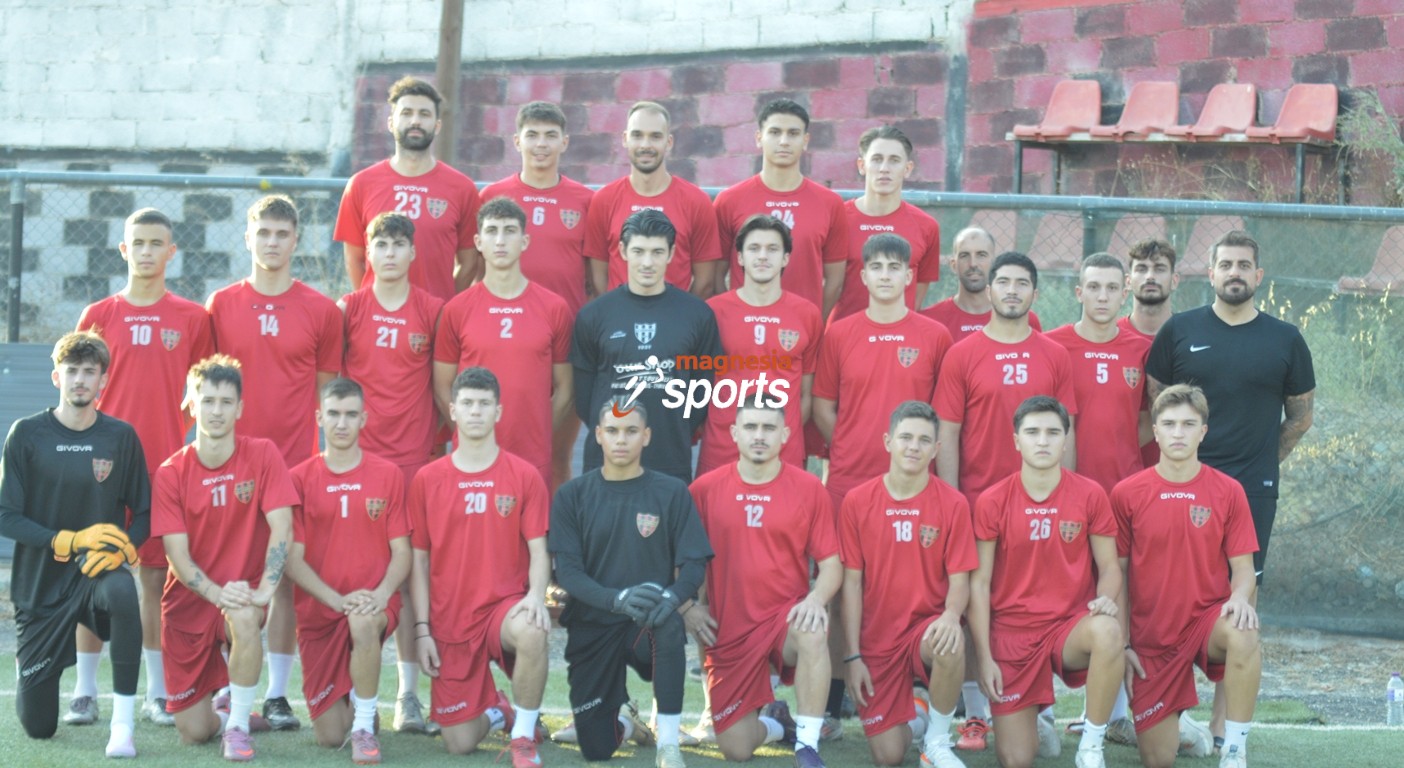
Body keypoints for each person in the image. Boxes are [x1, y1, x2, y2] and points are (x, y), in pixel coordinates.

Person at [1144, 230, 1313, 751]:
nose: (1235, 272)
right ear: (1211, 273)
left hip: (1253, 487)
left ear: (1258, 276)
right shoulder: (1180, 330)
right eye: (1226, 264)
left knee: (1240, 600)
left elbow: (1300, 417)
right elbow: (1158, 404)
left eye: (1244, 265)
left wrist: (1262, 462)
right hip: (1181, 488)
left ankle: (1223, 728)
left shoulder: (1285, 339)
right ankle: (1165, 708)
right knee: (1171, 591)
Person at [74, 208, 214, 727]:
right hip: (102, 470)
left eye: (157, 243)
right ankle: (85, 691)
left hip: (163, 474)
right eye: (139, 243)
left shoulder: (193, 318)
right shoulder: (98, 314)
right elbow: (78, 390)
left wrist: (181, 446)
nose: (148, 251)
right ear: (123, 249)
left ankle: (158, 692)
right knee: (94, 575)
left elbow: (202, 397)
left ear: (172, 252)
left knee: (155, 584)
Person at [207, 194, 342, 730]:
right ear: (247, 237)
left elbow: (326, 394)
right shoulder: (220, 304)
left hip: (292, 465)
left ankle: (279, 695)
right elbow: (209, 391)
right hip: (231, 464)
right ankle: (224, 685)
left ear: (296, 240)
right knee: (228, 573)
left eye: (282, 234)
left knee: (283, 577)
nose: (271, 242)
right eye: (263, 232)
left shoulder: (321, 310)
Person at [932, 251, 1075, 749]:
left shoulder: (1054, 355)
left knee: (1042, 603)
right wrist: (952, 501)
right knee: (978, 602)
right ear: (989, 290)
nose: (1012, 290)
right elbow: (948, 433)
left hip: (1041, 504)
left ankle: (1042, 710)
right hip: (978, 502)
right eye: (1004, 282)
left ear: (1035, 292)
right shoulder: (962, 354)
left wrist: (1068, 498)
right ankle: (975, 714)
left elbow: (1067, 432)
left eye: (1022, 283)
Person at [0, 331, 149, 758]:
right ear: (56, 377)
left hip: (95, 574)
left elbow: (143, 514)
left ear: (104, 380)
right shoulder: (26, 434)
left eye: (89, 371)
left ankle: (122, 726)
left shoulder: (120, 437)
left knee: (123, 591)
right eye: (71, 371)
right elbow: (6, 515)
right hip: (40, 586)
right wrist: (68, 539)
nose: (80, 379)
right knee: (39, 727)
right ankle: (36, 667)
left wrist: (123, 548)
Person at [549, 400, 714, 768]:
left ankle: (668, 744)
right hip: (594, 625)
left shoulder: (671, 492)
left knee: (668, 624)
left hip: (647, 624)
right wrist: (617, 599)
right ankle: (627, 721)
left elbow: (693, 563)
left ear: (647, 436)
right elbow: (569, 574)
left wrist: (672, 597)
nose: (621, 440)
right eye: (612, 431)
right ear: (598, 435)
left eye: (631, 431)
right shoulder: (572, 496)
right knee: (597, 748)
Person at [152, 355, 296, 761]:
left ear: (240, 408)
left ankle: (237, 726)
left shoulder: (263, 455)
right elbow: (176, 555)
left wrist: (264, 590)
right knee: (193, 732)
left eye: (226, 402)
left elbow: (283, 527)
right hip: (189, 604)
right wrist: (218, 594)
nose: (216, 411)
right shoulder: (170, 473)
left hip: (242, 594)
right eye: (208, 400)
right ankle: (222, 716)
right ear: (191, 405)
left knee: (246, 616)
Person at [1112, 384, 1263, 768]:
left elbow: (1244, 569)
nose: (1178, 433)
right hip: (1152, 637)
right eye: (1169, 424)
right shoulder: (1127, 493)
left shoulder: (1229, 491)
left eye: (1188, 424)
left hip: (1206, 622)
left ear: (1203, 432)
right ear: (1155, 431)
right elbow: (1119, 575)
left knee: (1243, 630)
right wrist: (1124, 642)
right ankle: (1185, 730)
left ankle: (1235, 749)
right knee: (1157, 760)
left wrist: (1239, 598)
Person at [968, 396, 1123, 768]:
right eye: (1032, 432)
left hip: (1068, 628)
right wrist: (984, 658)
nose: (1042, 441)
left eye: (1053, 432)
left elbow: (1110, 567)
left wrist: (1105, 598)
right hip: (1012, 634)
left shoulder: (1090, 494)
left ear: (1065, 441)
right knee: (1015, 760)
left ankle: (1091, 745)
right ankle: (1034, 721)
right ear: (1016, 440)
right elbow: (979, 584)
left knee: (1107, 631)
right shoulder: (992, 501)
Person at [409, 367, 552, 766]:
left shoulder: (524, 476)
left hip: (502, 609)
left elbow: (539, 551)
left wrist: (535, 596)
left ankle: (523, 736)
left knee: (533, 629)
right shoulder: (427, 479)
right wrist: (422, 630)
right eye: (468, 404)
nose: (476, 411)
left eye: (484, 404)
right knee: (459, 743)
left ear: (498, 412)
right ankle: (499, 711)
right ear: (453, 410)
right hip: (451, 619)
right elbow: (419, 561)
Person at [337, 211, 444, 735]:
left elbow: (442, 385)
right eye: (381, 244)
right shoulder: (348, 309)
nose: (390, 253)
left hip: (413, 461)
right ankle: (352, 692)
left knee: (408, 575)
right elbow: (333, 387)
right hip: (360, 462)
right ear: (368, 253)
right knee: (356, 571)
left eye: (399, 244)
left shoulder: (433, 310)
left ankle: (407, 696)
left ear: (412, 252)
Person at [689, 402, 840, 767]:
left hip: (782, 621)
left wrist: (815, 599)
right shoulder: (704, 490)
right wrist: (688, 607)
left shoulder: (808, 488)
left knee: (812, 630)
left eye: (769, 428)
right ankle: (777, 725)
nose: (759, 436)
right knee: (736, 749)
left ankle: (807, 746)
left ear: (785, 435)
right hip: (729, 630)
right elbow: (678, 560)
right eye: (751, 427)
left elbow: (832, 565)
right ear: (734, 433)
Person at [840, 401, 974, 768]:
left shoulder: (953, 503)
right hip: (877, 640)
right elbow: (851, 585)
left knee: (949, 641)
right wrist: (852, 656)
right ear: (888, 441)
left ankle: (937, 743)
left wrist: (951, 616)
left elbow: (961, 580)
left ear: (936, 449)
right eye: (906, 437)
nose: (914, 446)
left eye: (924, 440)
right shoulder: (857, 502)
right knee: (889, 756)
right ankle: (918, 714)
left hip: (925, 630)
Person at [286, 378, 411, 764]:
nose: (342, 423)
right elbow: (291, 560)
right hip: (320, 612)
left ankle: (364, 726)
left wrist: (381, 594)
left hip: (373, 604)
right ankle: (356, 699)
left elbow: (402, 552)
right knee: (328, 736)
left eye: (351, 414)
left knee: (362, 621)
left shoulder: (388, 475)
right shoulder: (299, 479)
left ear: (364, 419)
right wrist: (337, 600)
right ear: (319, 418)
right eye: (334, 414)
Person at [481, 100, 594, 488]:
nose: (541, 144)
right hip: (504, 341)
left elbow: (594, 278)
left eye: (550, 136)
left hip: (564, 345)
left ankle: (553, 527)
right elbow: (476, 270)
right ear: (517, 141)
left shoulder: (586, 201)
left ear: (565, 142)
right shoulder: (494, 196)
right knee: (494, 450)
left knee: (555, 455)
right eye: (532, 135)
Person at [571, 208, 723, 482]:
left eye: (657, 252)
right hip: (605, 462)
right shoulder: (594, 315)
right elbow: (584, 398)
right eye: (639, 251)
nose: (647, 262)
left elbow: (702, 391)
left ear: (671, 253)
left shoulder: (697, 315)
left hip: (670, 458)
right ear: (623, 251)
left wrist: (674, 426)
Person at [434, 197, 573, 487]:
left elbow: (565, 388)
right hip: (472, 457)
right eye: (491, 231)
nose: (500, 240)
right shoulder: (456, 309)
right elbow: (442, 386)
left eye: (509, 231)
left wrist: (539, 431)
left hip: (533, 455)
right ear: (478, 242)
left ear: (524, 241)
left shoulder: (554, 308)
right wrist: (470, 431)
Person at [695, 215, 821, 476]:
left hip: (783, 456)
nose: (763, 256)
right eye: (754, 248)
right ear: (740, 257)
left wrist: (780, 435)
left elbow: (806, 394)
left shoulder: (807, 314)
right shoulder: (712, 312)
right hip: (721, 452)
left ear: (785, 258)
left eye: (772, 249)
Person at [335, 76, 481, 299]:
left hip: (435, 317)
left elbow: (469, 263)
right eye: (406, 113)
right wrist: (372, 304)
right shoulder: (361, 184)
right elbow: (354, 260)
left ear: (437, 125)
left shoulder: (462, 188)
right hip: (378, 316)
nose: (415, 121)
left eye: (424, 114)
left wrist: (444, 308)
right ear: (391, 123)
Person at [714, 98, 848, 317]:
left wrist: (812, 322)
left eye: (793, 133)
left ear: (805, 140)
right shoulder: (729, 200)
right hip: (743, 326)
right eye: (775, 132)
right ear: (759, 138)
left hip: (801, 330)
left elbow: (835, 280)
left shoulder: (830, 203)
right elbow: (715, 275)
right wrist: (730, 317)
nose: (784, 141)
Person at [584, 101, 722, 298]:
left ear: (669, 142)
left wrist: (682, 313)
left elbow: (705, 282)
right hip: (619, 315)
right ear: (625, 139)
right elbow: (597, 278)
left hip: (676, 316)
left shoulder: (696, 201)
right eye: (637, 135)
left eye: (655, 136)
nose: (645, 145)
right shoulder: (604, 200)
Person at [1044, 253, 1151, 493]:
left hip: (1125, 486)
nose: (1103, 297)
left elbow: (1148, 421)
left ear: (1124, 295)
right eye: (1093, 287)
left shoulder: (1142, 350)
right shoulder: (1052, 346)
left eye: (1112, 288)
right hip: (1067, 486)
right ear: (1079, 293)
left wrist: (1119, 449)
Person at [828, 125, 942, 324]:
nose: (884, 169)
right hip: (841, 337)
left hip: (899, 338)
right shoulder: (837, 219)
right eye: (877, 159)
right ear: (862, 165)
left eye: (894, 160)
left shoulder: (926, 227)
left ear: (908, 169)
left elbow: (917, 294)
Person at [921, 228, 1041, 343]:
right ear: (953, 265)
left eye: (981, 255)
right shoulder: (931, 320)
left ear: (994, 263)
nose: (973, 264)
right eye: (964, 255)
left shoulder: (1025, 319)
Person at [1119, 238, 1179, 341]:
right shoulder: (1110, 335)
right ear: (1128, 281)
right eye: (1141, 269)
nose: (1150, 276)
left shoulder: (1191, 334)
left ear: (1174, 281)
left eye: (1159, 269)